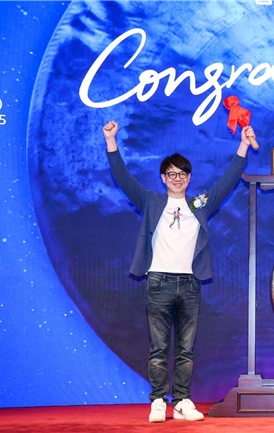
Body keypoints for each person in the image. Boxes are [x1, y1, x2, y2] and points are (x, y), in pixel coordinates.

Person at [102, 120, 257, 423]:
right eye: (171, 174)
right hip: (158, 282)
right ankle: (158, 401)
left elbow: (226, 182)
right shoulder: (151, 200)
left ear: (189, 178)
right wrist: (111, 141)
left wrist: (242, 145)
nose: (177, 179)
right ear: (163, 178)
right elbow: (122, 177)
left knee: (185, 349)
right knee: (159, 347)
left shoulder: (199, 203)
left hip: (190, 284)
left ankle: (183, 400)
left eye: (182, 174)